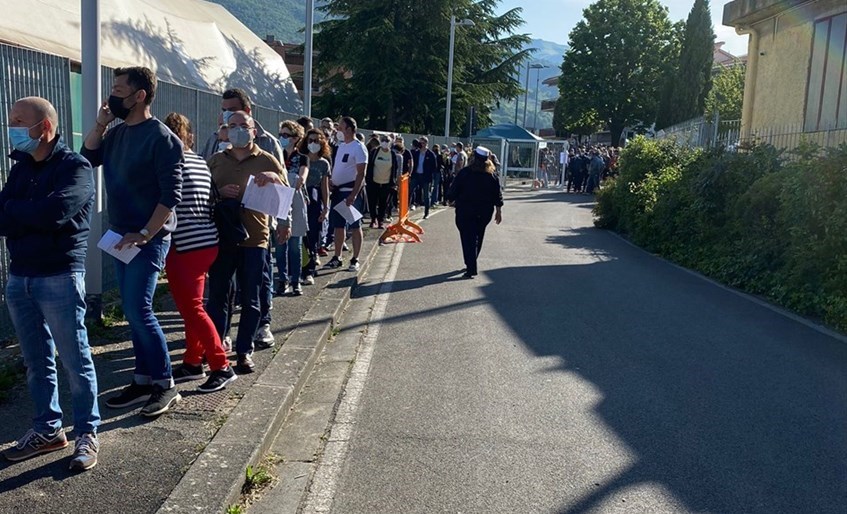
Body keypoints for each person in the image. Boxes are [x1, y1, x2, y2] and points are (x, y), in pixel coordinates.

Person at [0, 97, 99, 470]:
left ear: (44, 128)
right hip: (20, 276)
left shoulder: (75, 167)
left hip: (59, 274)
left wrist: (14, 211)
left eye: (18, 121)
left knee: (75, 359)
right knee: (35, 361)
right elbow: (4, 216)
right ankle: (47, 430)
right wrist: (20, 213)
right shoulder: (22, 168)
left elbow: (54, 213)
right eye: (10, 119)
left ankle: (87, 432)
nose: (10, 127)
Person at [82, 66, 183, 417]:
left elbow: (171, 196)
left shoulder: (163, 137)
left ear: (140, 95)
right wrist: (100, 123)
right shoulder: (118, 134)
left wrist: (144, 235)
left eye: (119, 89)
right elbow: (88, 156)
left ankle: (165, 384)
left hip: (145, 239)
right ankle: (143, 379)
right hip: (119, 236)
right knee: (131, 311)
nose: (113, 95)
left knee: (140, 310)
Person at [199, 88, 283, 349]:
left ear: (252, 126)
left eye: (241, 124)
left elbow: (284, 196)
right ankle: (219, 342)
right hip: (222, 235)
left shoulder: (268, 153)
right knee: (220, 295)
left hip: (255, 236)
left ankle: (247, 346)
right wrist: (218, 193)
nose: (236, 128)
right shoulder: (214, 157)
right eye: (229, 122)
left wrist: (274, 180)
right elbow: (200, 192)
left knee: (252, 295)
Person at [162, 113, 237, 393]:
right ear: (190, 136)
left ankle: (220, 365)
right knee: (195, 307)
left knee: (191, 308)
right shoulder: (199, 162)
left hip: (185, 244)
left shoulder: (171, 162)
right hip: (207, 241)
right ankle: (193, 360)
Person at [445, 146, 503, 279]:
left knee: (467, 238)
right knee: (478, 236)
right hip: (484, 212)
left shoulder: (465, 173)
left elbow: (454, 188)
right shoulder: (491, 176)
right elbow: (497, 194)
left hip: (465, 211)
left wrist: (449, 199)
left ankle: (471, 266)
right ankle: (472, 260)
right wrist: (498, 211)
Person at [324, 116, 367, 272]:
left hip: (350, 192)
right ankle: (337, 256)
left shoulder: (358, 147)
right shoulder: (342, 146)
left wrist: (353, 195)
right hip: (337, 191)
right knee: (338, 225)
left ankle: (355, 258)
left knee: (355, 225)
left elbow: (361, 173)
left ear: (349, 129)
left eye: (341, 128)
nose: (338, 131)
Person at [277, 120, 309, 296]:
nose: (282, 138)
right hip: (279, 198)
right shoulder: (277, 154)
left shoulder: (302, 157)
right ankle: (282, 279)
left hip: (295, 200)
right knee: (280, 243)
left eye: (286, 135)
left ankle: (296, 280)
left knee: (295, 244)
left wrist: (300, 178)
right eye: (281, 134)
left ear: (296, 138)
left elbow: (303, 175)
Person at [300, 129, 331, 282]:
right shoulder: (300, 159)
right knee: (300, 238)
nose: (313, 143)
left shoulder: (324, 163)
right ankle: (298, 268)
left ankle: (309, 269)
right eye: (310, 140)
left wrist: (326, 208)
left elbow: (325, 187)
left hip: (315, 201)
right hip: (300, 201)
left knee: (313, 236)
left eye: (316, 141)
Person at [366, 134, 399, 229]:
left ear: (391, 143)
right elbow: (370, 165)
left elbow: (394, 168)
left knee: (383, 203)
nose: (385, 142)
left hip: (386, 183)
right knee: (372, 201)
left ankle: (380, 220)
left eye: (387, 141)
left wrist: (394, 182)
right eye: (383, 140)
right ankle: (373, 219)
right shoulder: (375, 152)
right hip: (374, 181)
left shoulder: (392, 154)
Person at [411, 136, 438, 219]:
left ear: (426, 143)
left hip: (425, 177)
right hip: (416, 175)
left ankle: (426, 212)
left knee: (426, 195)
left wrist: (430, 175)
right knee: (410, 191)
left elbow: (434, 166)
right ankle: (408, 207)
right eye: (420, 143)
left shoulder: (431, 154)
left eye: (423, 143)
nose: (421, 144)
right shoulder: (415, 153)